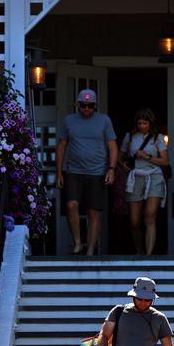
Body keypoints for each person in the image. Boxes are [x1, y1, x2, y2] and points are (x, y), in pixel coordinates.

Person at [55, 89, 118, 256]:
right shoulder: (69, 120)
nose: (87, 109)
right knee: (71, 205)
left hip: (97, 172)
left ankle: (90, 250)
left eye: (90, 106)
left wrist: (111, 169)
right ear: (78, 104)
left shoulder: (104, 120)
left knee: (93, 212)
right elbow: (61, 146)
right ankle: (77, 242)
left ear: (95, 106)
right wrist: (59, 172)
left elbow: (112, 146)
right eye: (83, 105)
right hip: (74, 171)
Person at [119, 108, 169, 255]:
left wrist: (147, 157)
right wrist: (124, 167)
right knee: (134, 222)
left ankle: (148, 255)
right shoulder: (130, 137)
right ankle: (139, 251)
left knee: (150, 215)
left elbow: (166, 161)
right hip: (136, 177)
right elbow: (120, 158)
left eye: (145, 123)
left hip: (154, 176)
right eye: (139, 123)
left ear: (150, 123)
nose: (142, 125)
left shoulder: (157, 138)